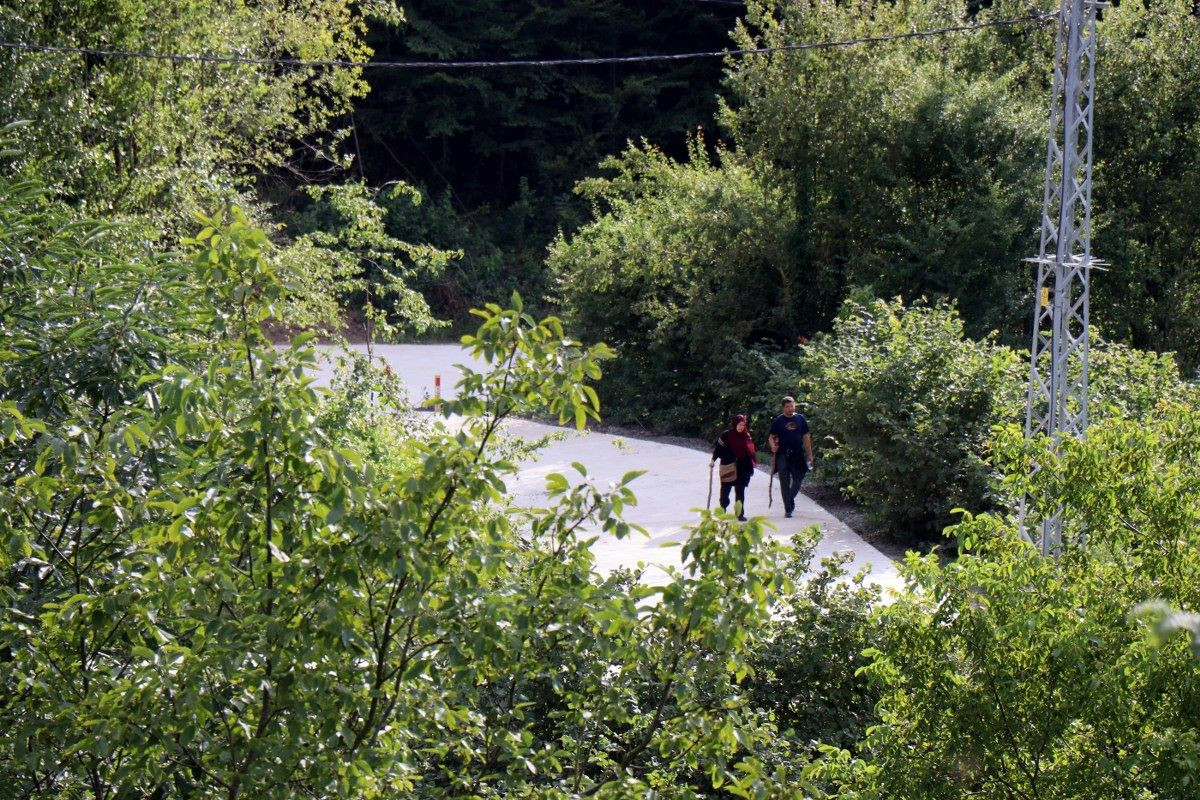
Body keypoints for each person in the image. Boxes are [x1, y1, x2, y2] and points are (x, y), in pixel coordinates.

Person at [768, 395, 814, 519]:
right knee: (784, 482)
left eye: (792, 405)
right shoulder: (778, 421)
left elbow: (806, 437)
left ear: (794, 405)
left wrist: (810, 454)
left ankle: (790, 498)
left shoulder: (800, 419)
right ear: (783, 408)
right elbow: (771, 436)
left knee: (798, 479)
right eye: (787, 406)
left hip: (798, 453)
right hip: (783, 454)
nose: (790, 408)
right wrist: (773, 446)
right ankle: (788, 509)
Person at [710, 413, 757, 521]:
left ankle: (739, 514)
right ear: (735, 424)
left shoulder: (746, 435)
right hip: (728, 466)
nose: (741, 427)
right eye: (739, 424)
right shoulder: (726, 435)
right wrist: (713, 460)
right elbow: (718, 449)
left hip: (743, 467)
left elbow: (750, 451)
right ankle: (723, 511)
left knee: (740, 491)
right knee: (725, 491)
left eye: (743, 425)